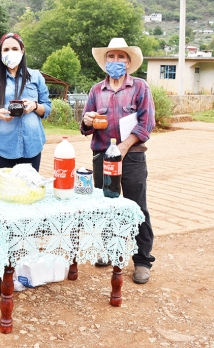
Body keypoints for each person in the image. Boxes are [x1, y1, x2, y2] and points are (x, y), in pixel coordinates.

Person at [80, 38, 156, 284]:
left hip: (131, 156)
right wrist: (88, 120)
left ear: (129, 62)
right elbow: (85, 126)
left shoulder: (140, 87)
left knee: (136, 207)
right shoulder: (95, 91)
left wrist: (123, 147)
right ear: (104, 62)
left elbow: (147, 123)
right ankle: (110, 251)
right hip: (102, 156)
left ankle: (142, 260)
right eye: (110, 57)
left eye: (120, 57)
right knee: (106, 207)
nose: (115, 61)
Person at [0, 33, 51, 172]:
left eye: (15, 48)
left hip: (32, 144)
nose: (10, 52)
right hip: (3, 146)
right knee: (8, 190)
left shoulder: (36, 76)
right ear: (0, 53)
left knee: (29, 190)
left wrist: (34, 106)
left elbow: (47, 107)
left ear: (22, 51)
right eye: (6, 50)